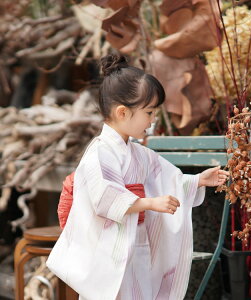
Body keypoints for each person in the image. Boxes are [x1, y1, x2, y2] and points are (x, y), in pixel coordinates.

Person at [46, 54, 229, 300]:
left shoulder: (138, 153)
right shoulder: (100, 151)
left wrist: (197, 180)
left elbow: (164, 178)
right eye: (150, 113)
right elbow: (104, 197)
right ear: (123, 112)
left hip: (137, 242)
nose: (153, 121)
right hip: (110, 248)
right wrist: (148, 203)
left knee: (141, 290)